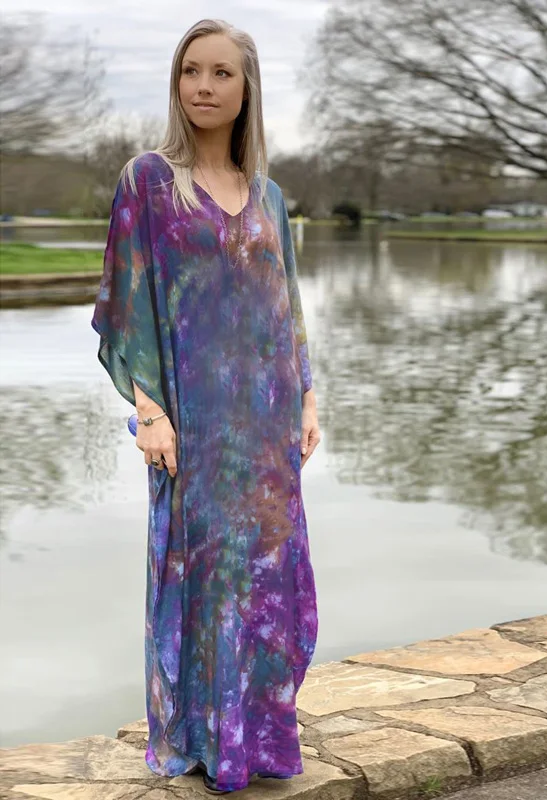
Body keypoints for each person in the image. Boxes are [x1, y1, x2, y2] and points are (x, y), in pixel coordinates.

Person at [91, 18, 320, 795]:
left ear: (247, 86)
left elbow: (285, 306)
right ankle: (199, 741)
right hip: (193, 421)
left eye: (222, 73)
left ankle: (259, 741)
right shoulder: (148, 180)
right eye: (192, 70)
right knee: (200, 576)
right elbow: (129, 304)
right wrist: (149, 414)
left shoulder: (271, 195)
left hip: (266, 426)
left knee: (264, 582)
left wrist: (309, 395)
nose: (204, 87)